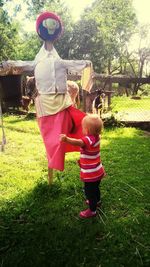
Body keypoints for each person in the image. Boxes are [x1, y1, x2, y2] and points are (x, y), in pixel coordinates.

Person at [1, 11, 93, 185]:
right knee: (51, 141)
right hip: (44, 105)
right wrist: (8, 64)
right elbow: (24, 64)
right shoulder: (38, 60)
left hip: (62, 102)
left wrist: (86, 64)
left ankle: (87, 155)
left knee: (79, 130)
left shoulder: (59, 61)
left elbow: (73, 63)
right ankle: (54, 169)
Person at [60, 114, 106, 218]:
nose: (82, 129)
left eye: (83, 127)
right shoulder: (97, 137)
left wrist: (66, 139)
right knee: (96, 188)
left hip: (91, 174)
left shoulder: (87, 140)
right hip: (98, 170)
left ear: (87, 129)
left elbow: (78, 142)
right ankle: (97, 202)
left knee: (89, 192)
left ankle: (92, 210)